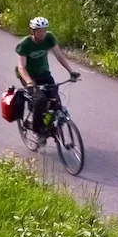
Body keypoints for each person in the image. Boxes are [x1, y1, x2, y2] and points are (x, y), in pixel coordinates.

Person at [15, 16, 78, 146]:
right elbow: (21, 67)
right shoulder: (25, 44)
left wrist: (71, 71)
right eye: (39, 31)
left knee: (55, 101)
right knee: (40, 99)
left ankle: (51, 124)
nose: (42, 34)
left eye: (44, 30)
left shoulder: (49, 38)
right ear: (32, 31)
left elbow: (59, 56)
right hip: (28, 76)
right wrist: (29, 82)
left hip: (44, 74)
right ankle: (38, 131)